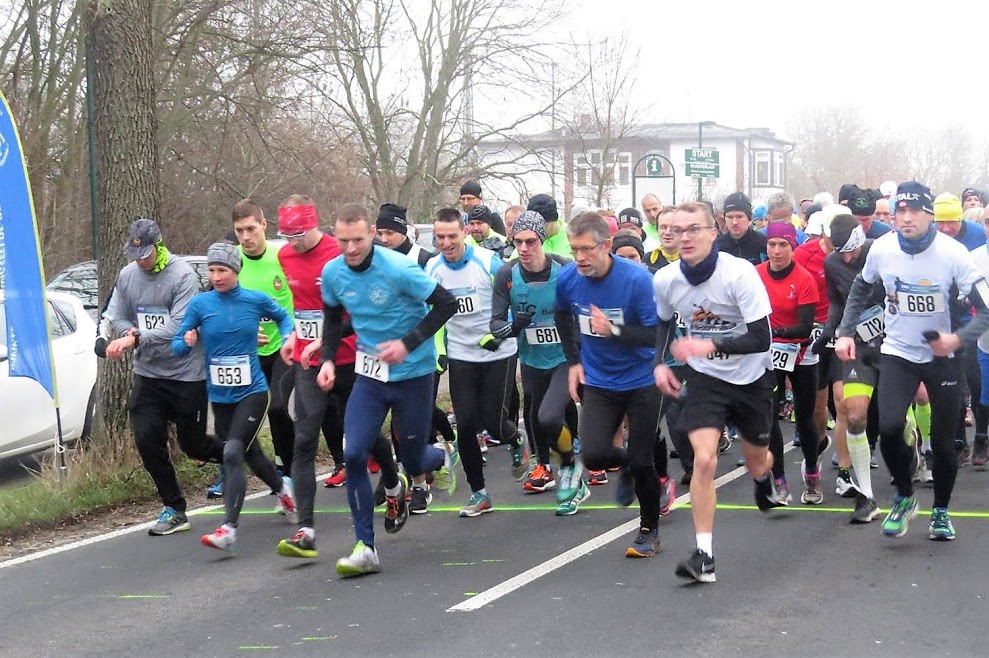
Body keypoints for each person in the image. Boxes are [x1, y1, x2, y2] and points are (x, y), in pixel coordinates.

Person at [835, 181, 989, 541]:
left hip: (944, 358)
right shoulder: (883, 248)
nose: (905, 218)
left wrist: (956, 338)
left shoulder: (953, 254)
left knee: (944, 440)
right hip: (899, 352)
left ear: (930, 215)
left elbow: (985, 312)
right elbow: (861, 287)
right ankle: (904, 496)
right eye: (900, 211)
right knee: (888, 428)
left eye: (914, 211)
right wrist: (845, 331)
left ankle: (940, 511)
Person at [316, 204, 458, 576]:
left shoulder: (398, 268)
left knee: (413, 460)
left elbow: (446, 304)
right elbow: (334, 319)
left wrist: (407, 344)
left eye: (357, 240)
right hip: (371, 376)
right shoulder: (332, 273)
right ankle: (366, 547)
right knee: (355, 452)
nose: (350, 249)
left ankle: (440, 456)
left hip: (413, 373)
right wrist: (328, 359)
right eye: (343, 241)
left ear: (373, 236)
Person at [653, 202, 783, 584]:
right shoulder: (665, 279)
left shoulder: (738, 273)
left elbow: (762, 338)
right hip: (706, 380)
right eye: (677, 230)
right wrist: (659, 364)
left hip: (751, 377)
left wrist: (710, 345)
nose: (685, 237)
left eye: (694, 229)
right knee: (704, 460)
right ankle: (704, 556)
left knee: (758, 460)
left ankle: (764, 481)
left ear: (714, 232)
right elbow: (661, 325)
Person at [274, 196, 399, 559]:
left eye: (298, 233)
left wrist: (324, 340)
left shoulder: (339, 251)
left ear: (314, 225)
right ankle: (306, 530)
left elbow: (356, 310)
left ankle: (393, 484)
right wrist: (292, 337)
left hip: (351, 356)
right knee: (304, 437)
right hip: (310, 361)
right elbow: (300, 305)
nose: (293, 241)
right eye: (286, 234)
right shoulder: (284, 256)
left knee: (363, 437)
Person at [171, 243, 298, 552]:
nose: (216, 276)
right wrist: (187, 341)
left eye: (222, 270)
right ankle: (284, 489)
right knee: (251, 455)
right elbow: (177, 345)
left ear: (235, 271)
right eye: (212, 270)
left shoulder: (254, 300)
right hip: (220, 396)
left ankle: (228, 528)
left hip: (253, 392)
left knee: (231, 453)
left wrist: (288, 339)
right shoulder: (201, 305)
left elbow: (284, 317)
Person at [103, 218, 224, 536]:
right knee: (146, 438)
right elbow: (116, 314)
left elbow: (179, 325)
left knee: (194, 446)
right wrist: (123, 331)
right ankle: (174, 508)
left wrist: (136, 338)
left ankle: (236, 455)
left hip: (186, 374)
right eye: (133, 256)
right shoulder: (128, 275)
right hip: (149, 373)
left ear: (158, 248)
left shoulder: (182, 275)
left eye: (143, 256)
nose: (139, 262)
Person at [554, 212, 663, 558]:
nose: (580, 258)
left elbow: (654, 336)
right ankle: (628, 463)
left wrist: (614, 330)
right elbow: (561, 315)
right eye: (574, 250)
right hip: (600, 380)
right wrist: (573, 361)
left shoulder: (636, 280)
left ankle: (648, 532)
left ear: (605, 245)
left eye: (587, 249)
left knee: (644, 460)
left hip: (642, 379)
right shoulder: (569, 278)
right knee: (595, 454)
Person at [426, 208, 526, 517]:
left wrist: (501, 331)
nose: (446, 243)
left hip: (498, 352)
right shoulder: (432, 268)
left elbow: (513, 300)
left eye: (452, 236)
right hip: (461, 354)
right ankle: (479, 493)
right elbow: (430, 313)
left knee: (493, 422)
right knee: (467, 424)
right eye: (440, 237)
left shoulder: (487, 261)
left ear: (465, 231)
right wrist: (439, 349)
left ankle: (515, 438)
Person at [490, 210, 588, 514]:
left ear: (541, 240)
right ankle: (557, 467)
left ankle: (571, 468)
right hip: (531, 359)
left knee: (548, 416)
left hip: (565, 357)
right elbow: (495, 324)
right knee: (538, 416)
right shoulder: (507, 275)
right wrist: (513, 326)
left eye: (530, 241)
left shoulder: (565, 269)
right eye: (518, 241)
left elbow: (584, 310)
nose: (524, 248)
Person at [812, 214, 886, 522]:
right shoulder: (832, 263)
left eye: (851, 251)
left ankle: (918, 455)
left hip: (894, 343)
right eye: (840, 251)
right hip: (858, 345)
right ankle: (866, 497)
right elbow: (837, 302)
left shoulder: (881, 252)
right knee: (854, 415)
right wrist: (831, 330)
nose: (847, 257)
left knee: (900, 424)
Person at [229, 200, 296, 501]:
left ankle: (290, 470)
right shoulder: (233, 263)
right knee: (243, 413)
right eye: (240, 231)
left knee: (279, 406)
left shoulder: (282, 255)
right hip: (250, 350)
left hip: (285, 345)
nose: (246, 237)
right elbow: (222, 304)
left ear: (264, 225)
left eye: (251, 229)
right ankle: (257, 469)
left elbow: (302, 294)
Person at [757, 223, 823, 505]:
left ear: (792, 247)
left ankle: (811, 472)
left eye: (783, 245)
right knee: (770, 416)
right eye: (772, 244)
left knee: (805, 418)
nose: (776, 251)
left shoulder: (804, 278)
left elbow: (806, 326)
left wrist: (778, 333)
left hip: (802, 351)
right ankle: (780, 481)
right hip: (771, 352)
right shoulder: (756, 275)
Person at [717, 192, 767, 266]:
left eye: (739, 217)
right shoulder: (718, 246)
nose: (734, 222)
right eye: (730, 217)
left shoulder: (762, 242)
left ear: (749, 218)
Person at [376, 203, 432, 267]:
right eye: (379, 234)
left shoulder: (424, 259)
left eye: (389, 233)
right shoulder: (374, 258)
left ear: (402, 232)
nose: (383, 239)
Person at [528, 194, 572, 258]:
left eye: (543, 225)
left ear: (554, 220)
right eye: (533, 225)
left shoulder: (574, 236)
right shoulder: (527, 240)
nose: (538, 230)